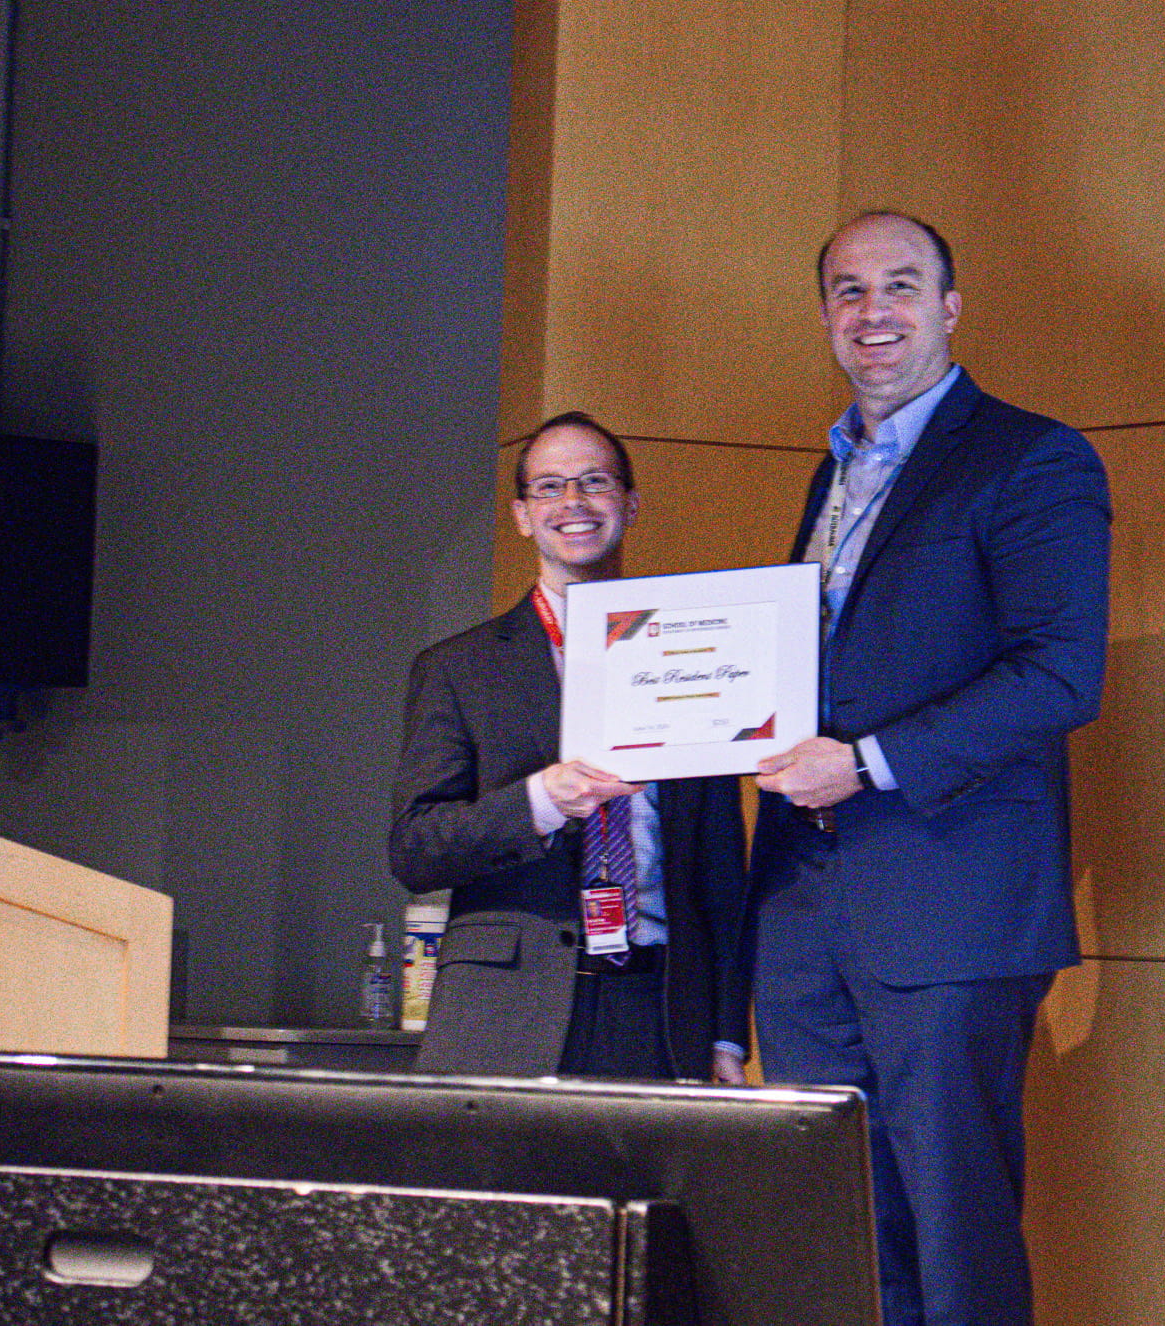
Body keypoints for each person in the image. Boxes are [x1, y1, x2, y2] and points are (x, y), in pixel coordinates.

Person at [750, 211, 1111, 1326]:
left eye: (900, 287)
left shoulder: (1028, 456)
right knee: (844, 1234)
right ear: (822, 317)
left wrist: (862, 762)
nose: (874, 314)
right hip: (806, 913)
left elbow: (1058, 677)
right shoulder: (833, 474)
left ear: (950, 309)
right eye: (848, 293)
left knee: (953, 1238)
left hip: (948, 911)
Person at [389, 412, 750, 1083]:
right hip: (506, 1014)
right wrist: (539, 801)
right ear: (523, 515)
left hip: (662, 1014)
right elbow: (415, 848)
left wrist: (728, 1032)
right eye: (550, 487)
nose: (574, 502)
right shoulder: (458, 668)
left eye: (594, 481)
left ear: (629, 504)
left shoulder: (698, 657)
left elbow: (722, 873)